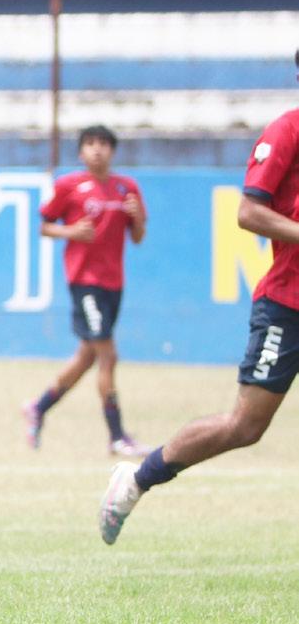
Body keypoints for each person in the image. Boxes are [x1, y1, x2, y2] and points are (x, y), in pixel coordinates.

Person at [99, 66, 299, 544]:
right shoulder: (286, 130)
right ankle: (137, 480)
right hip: (287, 304)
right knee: (245, 425)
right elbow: (248, 212)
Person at [23, 126, 148, 454]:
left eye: (104, 144)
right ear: (80, 152)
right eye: (90, 144)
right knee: (108, 355)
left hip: (113, 284)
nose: (97, 149)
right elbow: (44, 227)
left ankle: (38, 407)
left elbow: (138, 238)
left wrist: (137, 219)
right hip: (84, 282)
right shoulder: (69, 186)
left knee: (86, 357)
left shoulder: (127, 189)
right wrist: (71, 232)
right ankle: (117, 437)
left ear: (113, 151)